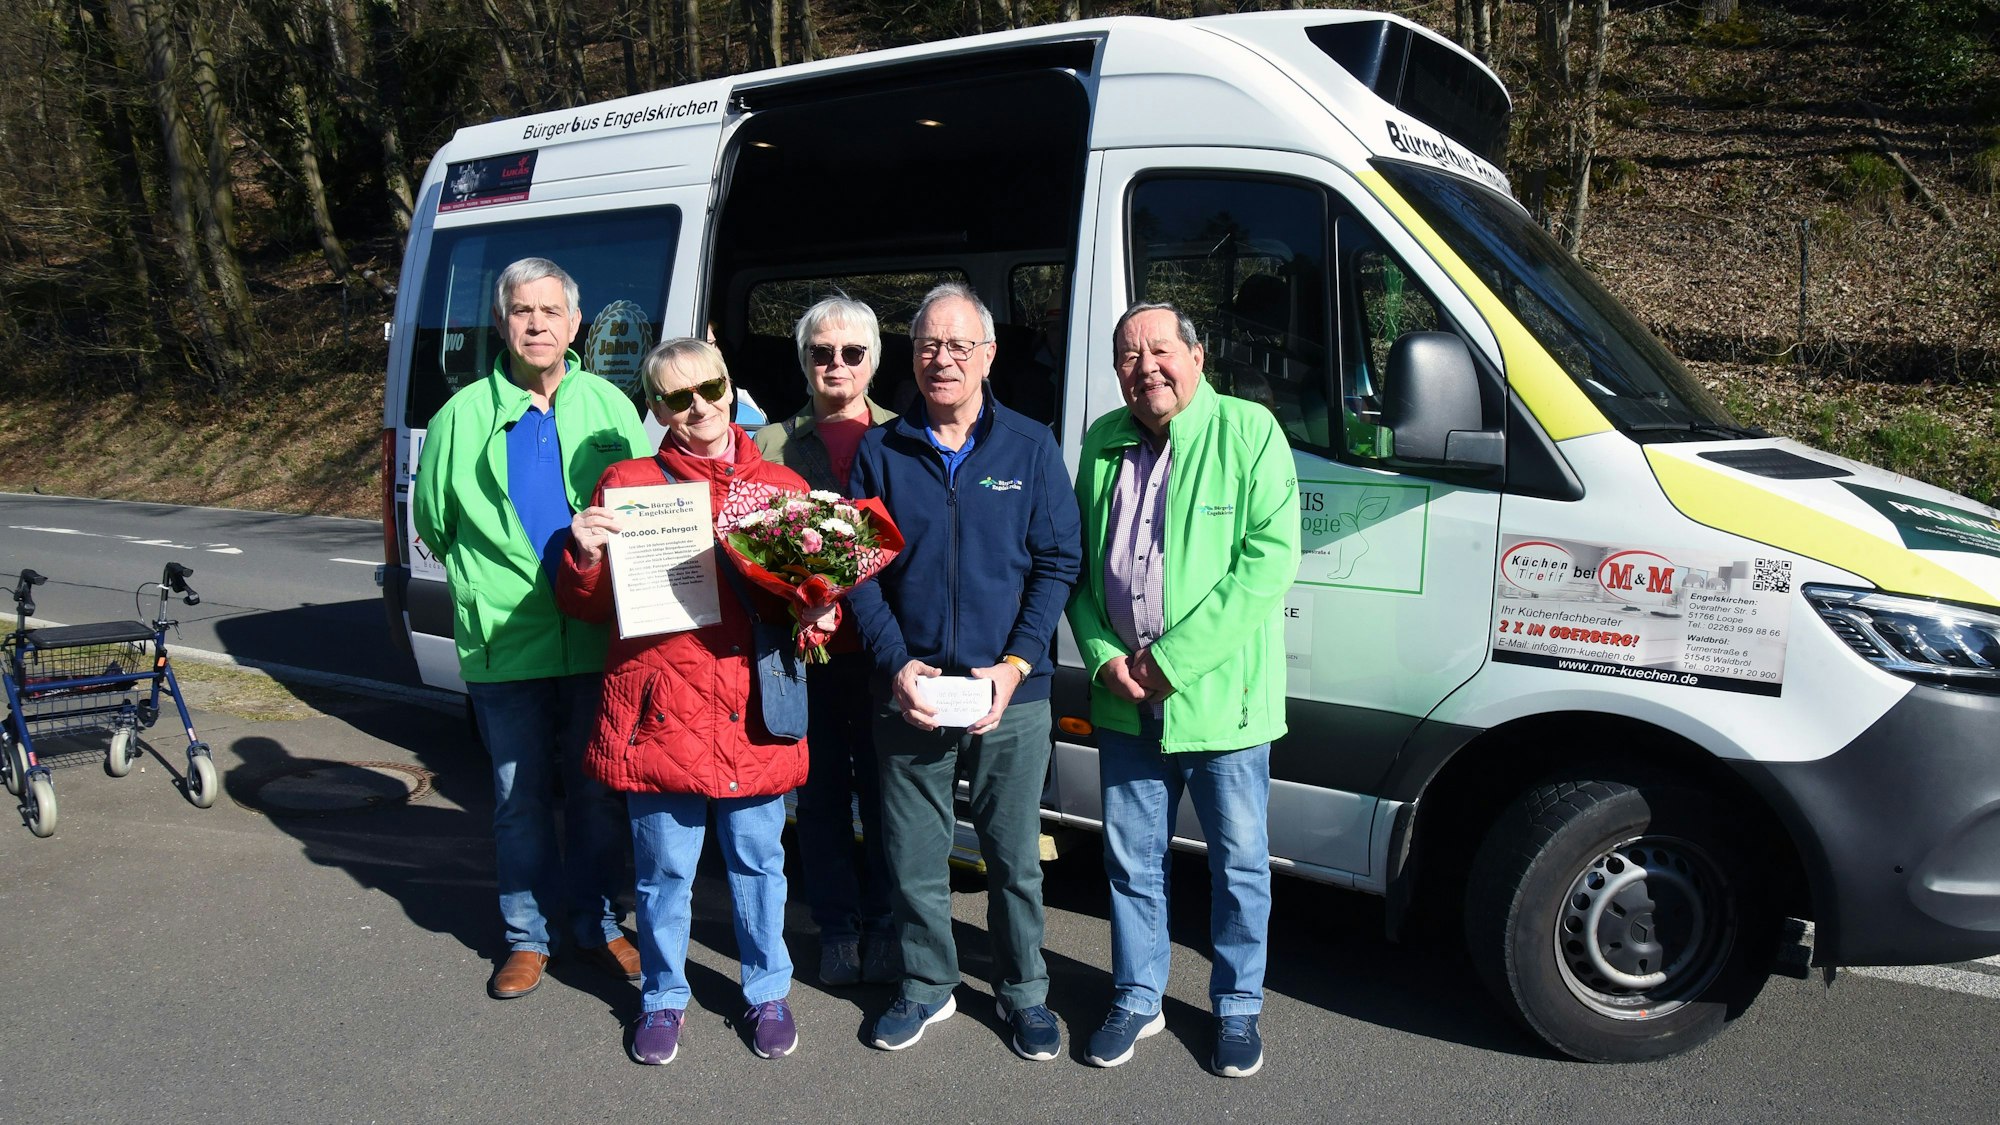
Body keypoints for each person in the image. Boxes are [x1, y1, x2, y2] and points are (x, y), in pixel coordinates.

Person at [556, 338, 826, 1065]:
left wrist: (819, 611)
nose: (699, 406)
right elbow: (587, 607)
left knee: (759, 863)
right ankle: (663, 997)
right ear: (656, 407)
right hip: (662, 707)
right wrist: (584, 555)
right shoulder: (628, 483)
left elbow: (807, 595)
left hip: (752, 706)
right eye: (678, 397)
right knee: (664, 872)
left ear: (731, 386)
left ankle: (768, 990)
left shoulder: (780, 485)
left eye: (710, 387)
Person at [845, 282, 1082, 1060]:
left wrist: (1014, 666)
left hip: (1010, 690)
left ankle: (1024, 991)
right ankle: (926, 984)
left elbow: (1058, 562)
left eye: (957, 345)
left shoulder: (1030, 446)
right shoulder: (881, 451)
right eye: (927, 345)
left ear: (988, 355)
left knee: (1014, 858)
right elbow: (859, 572)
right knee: (914, 854)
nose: (941, 359)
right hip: (911, 689)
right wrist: (896, 665)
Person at [1066, 302, 1300, 1077]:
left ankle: (1237, 1006)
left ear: (1197, 357)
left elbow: (1268, 562)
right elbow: (1079, 568)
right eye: (1129, 356)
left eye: (1160, 350)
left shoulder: (1249, 431)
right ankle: (1138, 995)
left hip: (1222, 700)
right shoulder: (1103, 439)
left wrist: (1169, 663)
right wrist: (1102, 656)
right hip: (1123, 699)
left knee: (1239, 864)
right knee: (1132, 862)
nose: (1146, 368)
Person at [411, 257, 649, 1000]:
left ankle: (598, 925)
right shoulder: (458, 418)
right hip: (506, 641)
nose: (537, 324)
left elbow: (645, 508)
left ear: (575, 324)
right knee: (519, 803)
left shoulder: (611, 406)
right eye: (522, 311)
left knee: (598, 795)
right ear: (501, 322)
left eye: (551, 311)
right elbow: (434, 524)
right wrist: (488, 587)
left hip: (596, 637)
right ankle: (526, 937)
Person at [753, 296, 900, 987]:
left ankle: (886, 924)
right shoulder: (768, 446)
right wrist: (796, 601)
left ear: (873, 360)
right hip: (802, 658)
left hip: (884, 654)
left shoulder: (905, 438)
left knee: (887, 795)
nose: (836, 364)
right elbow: (746, 546)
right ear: (804, 360)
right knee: (817, 800)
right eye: (821, 352)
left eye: (852, 352)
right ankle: (837, 927)